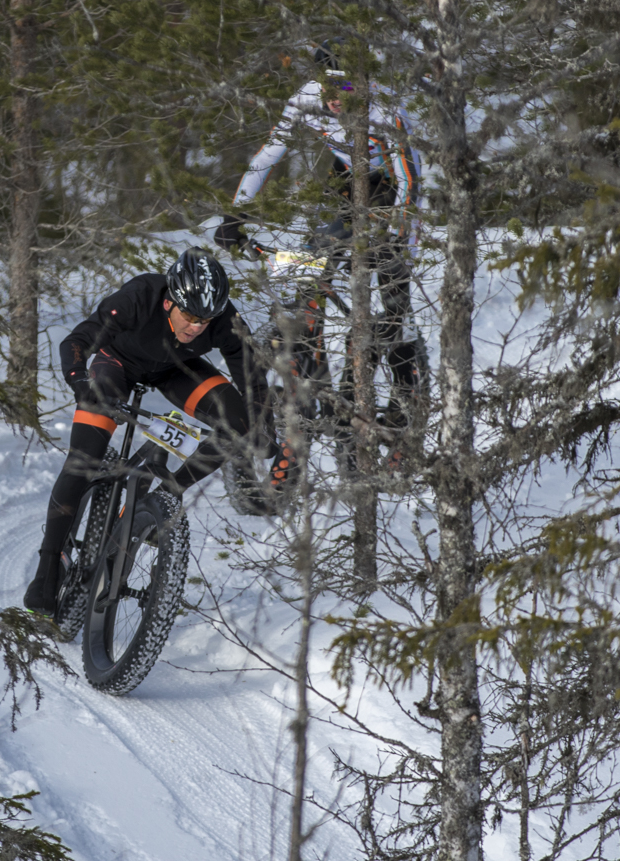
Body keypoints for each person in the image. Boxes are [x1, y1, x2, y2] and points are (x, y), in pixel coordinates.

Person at [22, 247, 287, 615]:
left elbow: (252, 377)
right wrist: (81, 384)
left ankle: (165, 496)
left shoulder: (225, 318)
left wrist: (260, 427)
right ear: (168, 302)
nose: (196, 327)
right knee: (83, 459)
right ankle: (49, 563)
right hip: (117, 363)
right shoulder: (139, 297)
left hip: (176, 369)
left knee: (237, 424)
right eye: (189, 316)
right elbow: (76, 343)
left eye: (205, 320)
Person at [214, 40, 425, 465]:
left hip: (396, 186)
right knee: (312, 262)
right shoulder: (307, 98)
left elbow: (409, 180)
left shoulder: (386, 109)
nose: (333, 100)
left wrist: (398, 234)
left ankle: (407, 410)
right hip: (346, 179)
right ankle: (310, 358)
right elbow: (269, 152)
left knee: (394, 299)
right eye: (328, 89)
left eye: (344, 90)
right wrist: (235, 215)